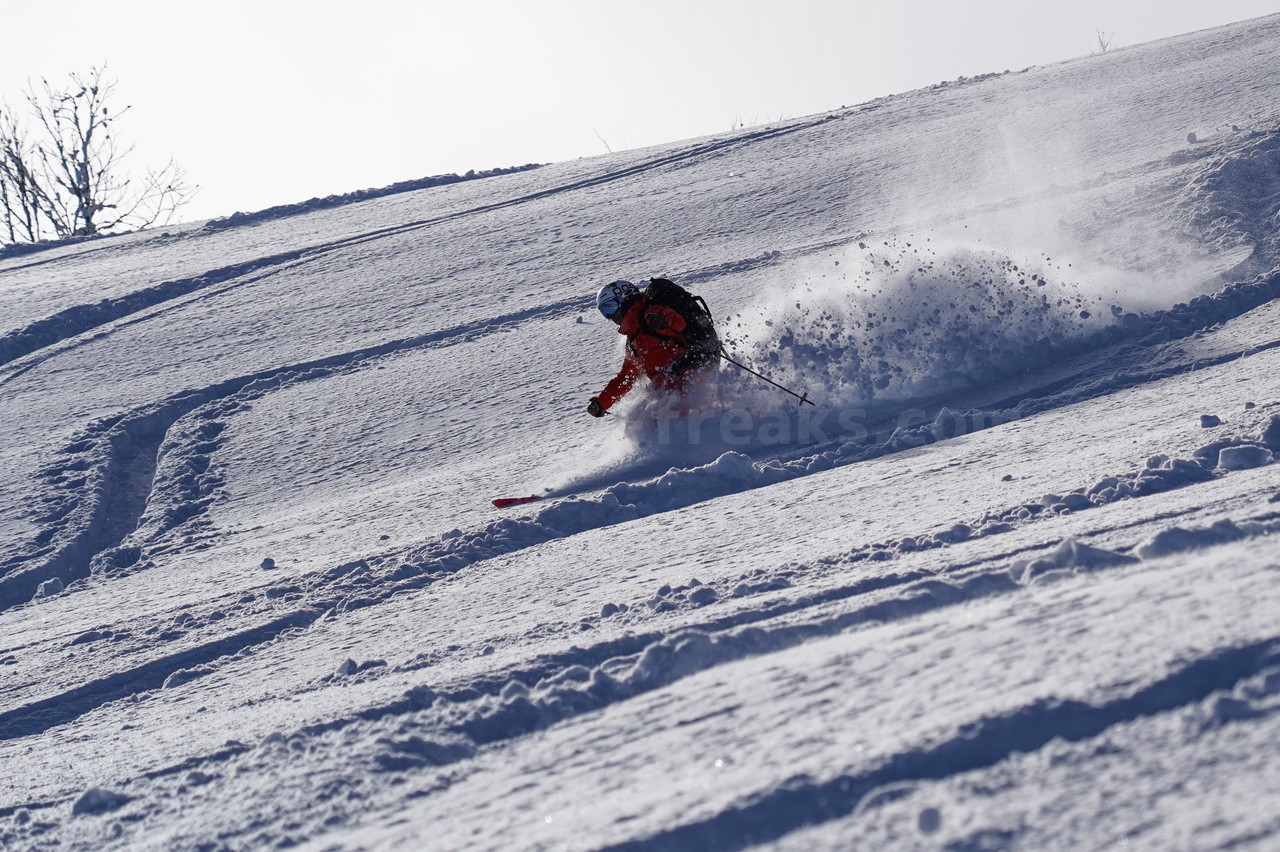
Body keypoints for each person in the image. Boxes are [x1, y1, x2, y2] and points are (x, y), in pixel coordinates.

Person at [587, 278, 721, 417]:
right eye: (605, 312)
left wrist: (663, 320)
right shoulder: (633, 340)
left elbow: (678, 321)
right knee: (645, 418)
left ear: (624, 298)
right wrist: (602, 402)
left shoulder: (651, 314)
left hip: (690, 381)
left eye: (610, 307)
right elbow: (627, 376)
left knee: (669, 420)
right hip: (672, 393)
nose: (610, 316)